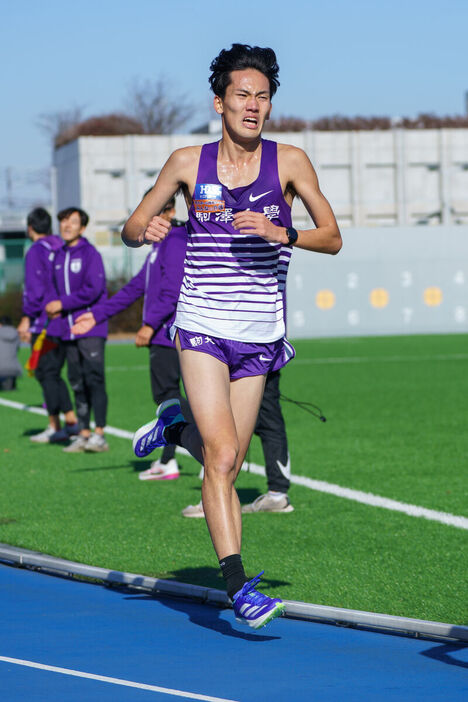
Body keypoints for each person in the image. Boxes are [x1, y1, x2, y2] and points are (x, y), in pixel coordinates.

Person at [122, 44, 342, 629]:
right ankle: (238, 586)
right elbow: (130, 226)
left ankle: (175, 425)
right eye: (242, 95)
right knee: (221, 456)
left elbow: (333, 236)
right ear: (219, 102)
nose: (253, 105)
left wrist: (281, 231)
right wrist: (150, 227)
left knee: (231, 459)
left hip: (260, 333)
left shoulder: (290, 161)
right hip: (201, 327)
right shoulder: (187, 163)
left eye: (263, 96)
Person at [71, 203, 192, 477]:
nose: (147, 218)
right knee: (170, 397)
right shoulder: (159, 247)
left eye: (156, 210)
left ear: (170, 211)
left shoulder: (175, 240)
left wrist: (149, 325)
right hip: (162, 335)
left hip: (169, 334)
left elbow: (173, 291)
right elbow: (134, 288)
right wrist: (97, 315)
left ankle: (177, 455)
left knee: (171, 397)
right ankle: (172, 455)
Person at [45, 207, 109, 453]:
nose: (66, 226)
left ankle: (100, 433)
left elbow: (94, 289)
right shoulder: (57, 255)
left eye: (72, 222)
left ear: (82, 228)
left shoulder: (90, 253)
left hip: (91, 328)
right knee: (76, 381)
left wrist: (63, 303)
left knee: (95, 379)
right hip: (67, 331)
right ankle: (83, 432)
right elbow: (51, 289)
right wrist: (52, 306)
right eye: (63, 221)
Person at [17, 207, 79, 442]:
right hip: (65, 319)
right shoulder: (59, 245)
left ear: (30, 228)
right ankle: (71, 420)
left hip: (44, 323)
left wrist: (26, 317)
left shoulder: (36, 250)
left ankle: (55, 425)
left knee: (46, 372)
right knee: (53, 372)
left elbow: (35, 290)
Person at [0, 316, 22, 391]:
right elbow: (17, 349)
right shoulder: (16, 333)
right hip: (14, 369)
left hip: (1, 369)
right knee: (10, 389)